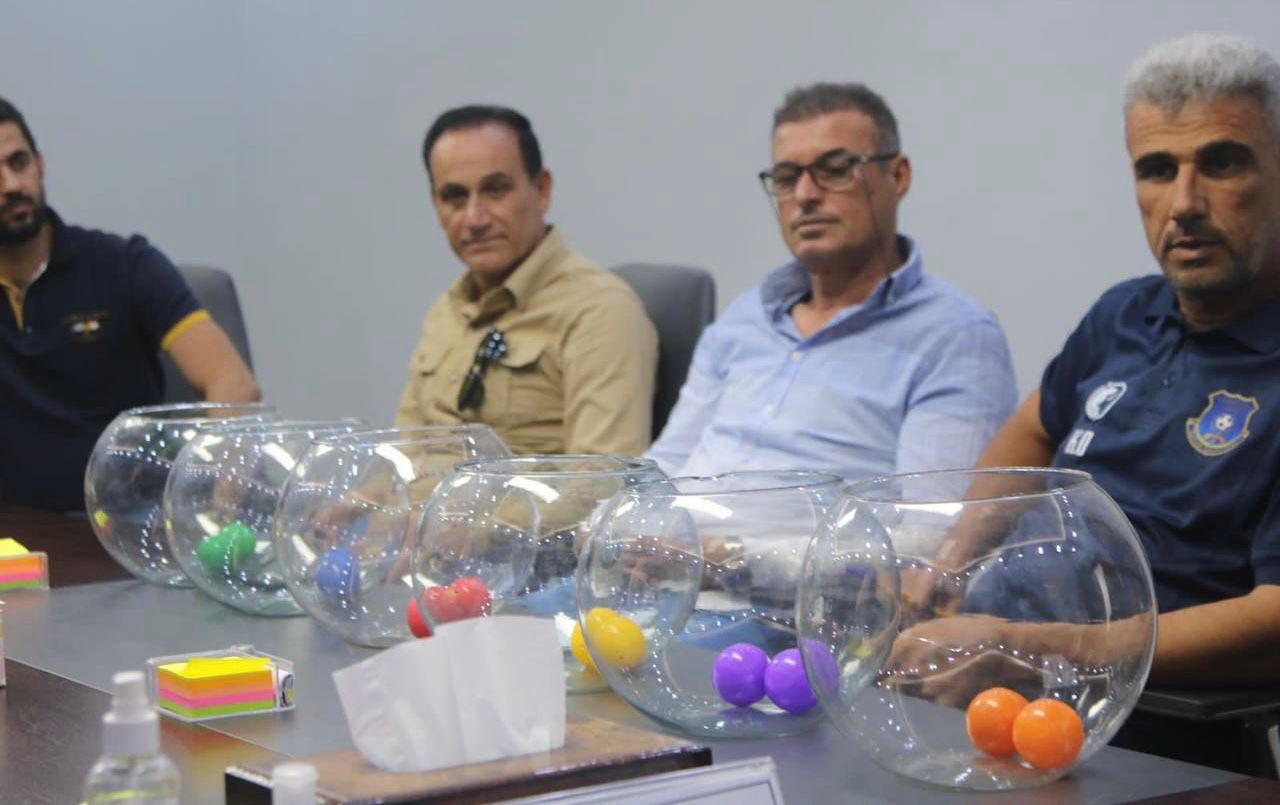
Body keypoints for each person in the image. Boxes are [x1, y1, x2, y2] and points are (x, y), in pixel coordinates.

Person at [888, 35, 1280, 774]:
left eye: (1223, 163)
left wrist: (1036, 651)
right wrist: (950, 565)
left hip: (1143, 731)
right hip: (990, 688)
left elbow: (1273, 623)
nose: (1185, 204)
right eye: (1156, 170)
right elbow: (1033, 428)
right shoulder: (1123, 314)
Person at [646, 83, 1016, 480]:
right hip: (676, 520)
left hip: (805, 524)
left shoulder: (956, 337)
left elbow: (930, 515)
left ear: (897, 176)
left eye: (836, 170)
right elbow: (664, 464)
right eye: (786, 177)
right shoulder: (746, 316)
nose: (805, 195)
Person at [0, 98, 260, 512]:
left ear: (40, 164)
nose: (12, 185)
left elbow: (233, 382)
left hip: (130, 521)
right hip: (15, 530)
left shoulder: (123, 265)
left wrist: (217, 498)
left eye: (19, 162)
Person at [394, 105, 657, 456]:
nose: (474, 219)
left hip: (520, 495)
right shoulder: (446, 310)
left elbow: (601, 478)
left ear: (542, 190)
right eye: (455, 197)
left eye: (495, 191)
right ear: (436, 205)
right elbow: (400, 456)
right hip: (420, 493)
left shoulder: (599, 311)